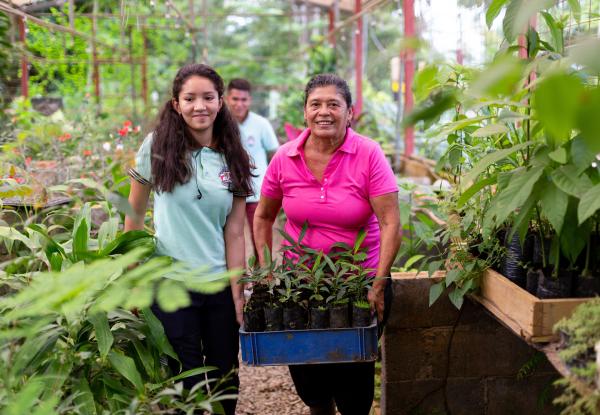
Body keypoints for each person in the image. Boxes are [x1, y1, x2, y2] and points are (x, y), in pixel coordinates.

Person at [253, 74, 401, 415]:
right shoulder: (284, 158)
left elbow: (391, 222)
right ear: (304, 112)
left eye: (334, 104)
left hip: (358, 283)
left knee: (352, 380)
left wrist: (378, 284)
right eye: (315, 104)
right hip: (300, 284)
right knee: (310, 378)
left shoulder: (368, 154)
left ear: (350, 113)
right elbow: (263, 216)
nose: (324, 112)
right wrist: (264, 271)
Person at [124, 63, 253, 415]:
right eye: (190, 98)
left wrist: (237, 290)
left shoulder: (234, 157)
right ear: (176, 104)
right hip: (171, 285)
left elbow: (235, 230)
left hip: (218, 286)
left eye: (208, 97)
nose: (200, 106)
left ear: (220, 102)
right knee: (185, 381)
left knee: (226, 377)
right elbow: (133, 217)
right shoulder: (157, 148)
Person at [226, 78, 279, 255]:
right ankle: (234, 281)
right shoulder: (219, 124)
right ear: (227, 98)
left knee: (260, 240)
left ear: (249, 100)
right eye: (235, 99)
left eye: (244, 99)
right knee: (229, 240)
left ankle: (262, 280)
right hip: (227, 194)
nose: (239, 104)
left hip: (256, 193)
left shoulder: (261, 124)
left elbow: (275, 155)